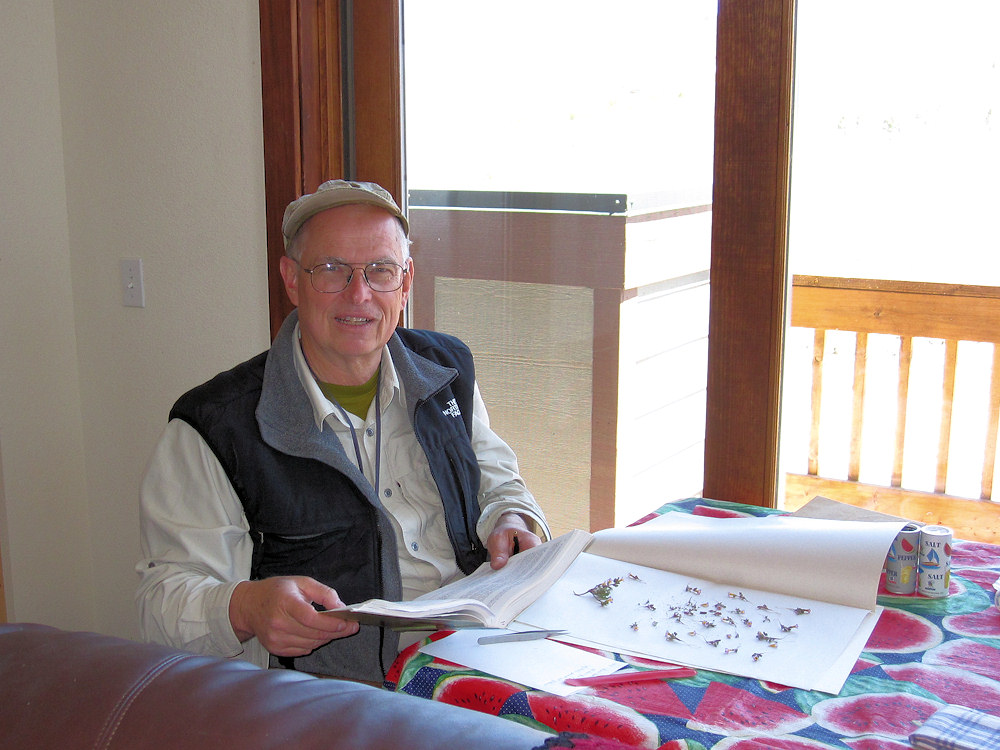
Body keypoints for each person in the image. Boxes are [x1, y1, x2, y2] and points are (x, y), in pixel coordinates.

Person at [136, 179, 550, 683]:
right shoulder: (215, 427)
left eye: (380, 270)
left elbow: (496, 477)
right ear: (291, 279)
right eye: (332, 270)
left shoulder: (446, 372)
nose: (359, 294)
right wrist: (243, 606)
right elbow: (161, 601)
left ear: (406, 280)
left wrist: (512, 516)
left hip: (474, 654)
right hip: (335, 696)